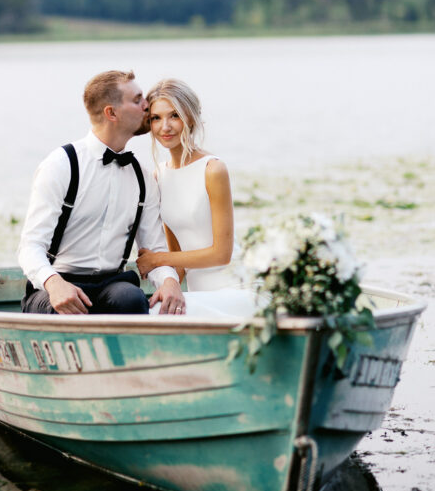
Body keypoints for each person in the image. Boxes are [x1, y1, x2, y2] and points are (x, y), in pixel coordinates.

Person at [18, 70, 186, 316]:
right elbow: (30, 246)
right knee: (59, 310)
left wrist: (169, 280)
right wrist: (53, 284)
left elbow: (155, 249)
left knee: (131, 299)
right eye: (137, 100)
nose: (147, 106)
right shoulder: (61, 165)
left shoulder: (142, 177)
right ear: (111, 113)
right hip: (56, 283)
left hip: (113, 285)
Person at [136, 78, 257, 319]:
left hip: (234, 288)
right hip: (198, 292)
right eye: (156, 118)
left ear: (189, 118)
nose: (165, 127)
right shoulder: (159, 176)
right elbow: (177, 254)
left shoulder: (212, 169)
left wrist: (157, 259)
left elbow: (221, 253)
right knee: (152, 309)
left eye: (174, 116)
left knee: (160, 314)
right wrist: (167, 286)